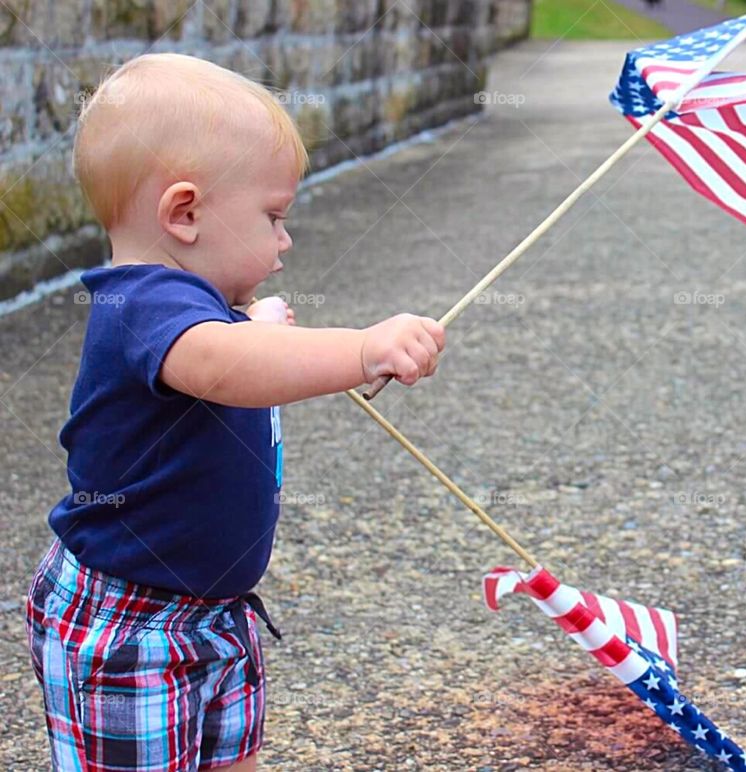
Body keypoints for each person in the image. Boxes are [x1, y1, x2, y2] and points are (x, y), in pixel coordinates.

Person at [23, 52, 445, 771]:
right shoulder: (141, 305)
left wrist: (253, 323)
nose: (284, 242)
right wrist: (363, 349)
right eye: (272, 217)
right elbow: (225, 365)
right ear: (184, 213)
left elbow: (232, 343)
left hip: (214, 613)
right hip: (132, 626)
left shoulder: (200, 310)